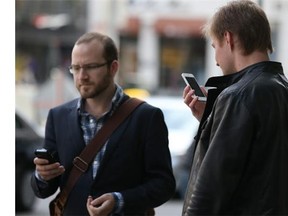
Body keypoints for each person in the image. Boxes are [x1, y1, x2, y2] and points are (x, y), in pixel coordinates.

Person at [31, 32, 176, 216]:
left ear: (113, 67)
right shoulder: (57, 117)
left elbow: (163, 185)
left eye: (90, 67)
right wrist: (42, 176)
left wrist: (119, 200)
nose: (82, 76)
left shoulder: (147, 117)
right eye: (75, 68)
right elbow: (44, 190)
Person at [182, 0, 288, 215]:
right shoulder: (281, 89)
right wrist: (213, 119)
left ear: (228, 38)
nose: (216, 59)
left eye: (215, 46)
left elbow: (211, 188)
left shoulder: (237, 96)